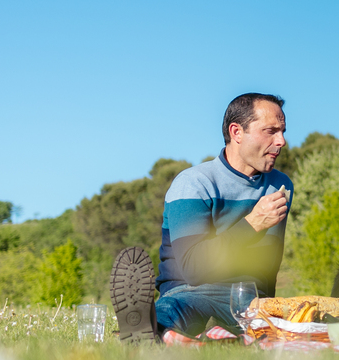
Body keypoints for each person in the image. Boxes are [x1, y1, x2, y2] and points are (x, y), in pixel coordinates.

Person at [108, 93, 293, 341]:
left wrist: (269, 305)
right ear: (237, 132)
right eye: (270, 131)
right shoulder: (194, 183)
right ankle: (149, 329)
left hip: (250, 300)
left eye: (282, 131)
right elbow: (194, 269)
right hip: (191, 291)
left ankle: (187, 340)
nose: (281, 141)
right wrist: (252, 224)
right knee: (172, 313)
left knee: (293, 333)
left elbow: (268, 265)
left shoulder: (279, 185)